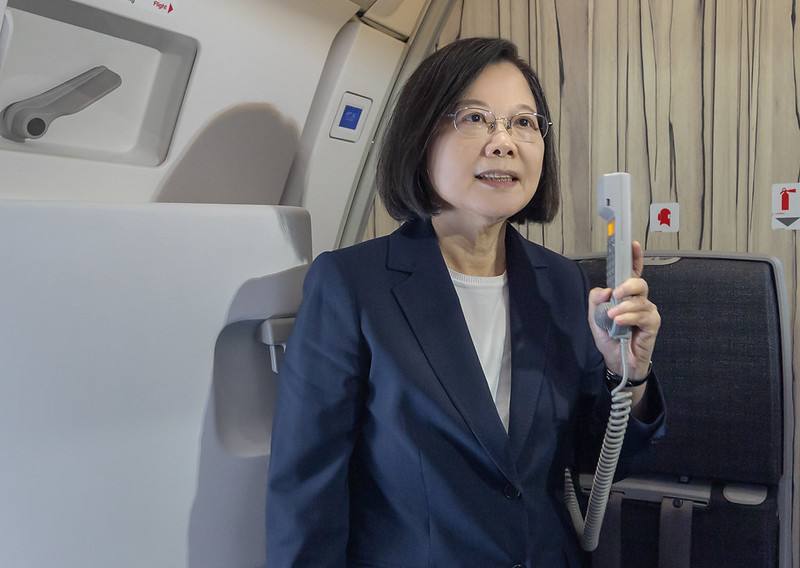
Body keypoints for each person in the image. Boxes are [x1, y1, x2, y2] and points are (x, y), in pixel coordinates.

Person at [266, 37, 665, 567]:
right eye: (475, 118)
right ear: (421, 136)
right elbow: (307, 489)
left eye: (524, 123)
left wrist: (628, 377)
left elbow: (596, 458)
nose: (504, 142)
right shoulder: (351, 284)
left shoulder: (564, 283)